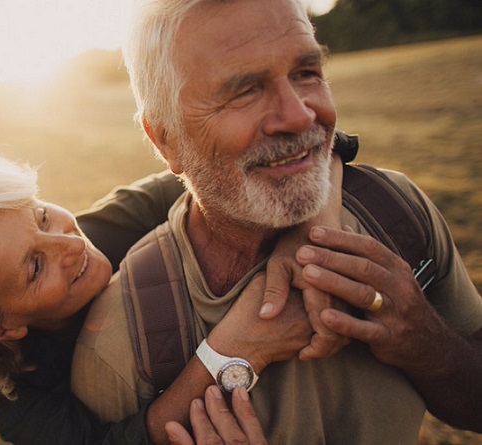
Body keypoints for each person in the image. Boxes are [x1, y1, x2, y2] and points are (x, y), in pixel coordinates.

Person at [70, 0, 482, 444]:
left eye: (306, 72)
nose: (300, 115)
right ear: (166, 139)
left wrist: (428, 344)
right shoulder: (120, 343)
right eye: (243, 90)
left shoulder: (396, 213)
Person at [0, 150, 349, 444]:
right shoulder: (3, 392)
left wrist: (309, 238)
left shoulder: (111, 225)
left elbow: (305, 148)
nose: (70, 244)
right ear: (3, 328)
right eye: (35, 267)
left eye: (41, 216)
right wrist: (235, 350)